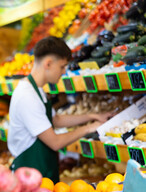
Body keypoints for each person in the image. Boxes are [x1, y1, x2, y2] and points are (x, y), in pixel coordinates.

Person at [7, 36, 112, 183]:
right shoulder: (27, 96)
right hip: (28, 177)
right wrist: (88, 129)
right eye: (62, 66)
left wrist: (92, 116)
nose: (64, 72)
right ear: (48, 63)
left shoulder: (37, 90)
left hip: (40, 173)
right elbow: (55, 142)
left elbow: (56, 120)